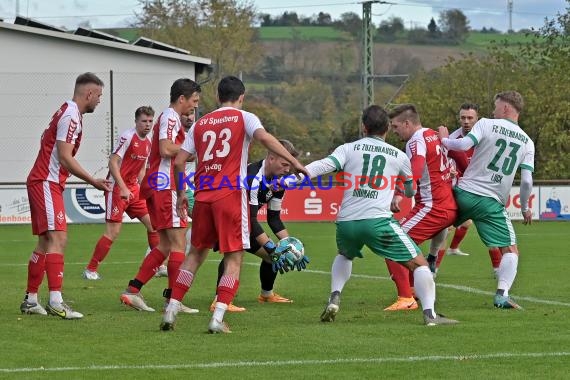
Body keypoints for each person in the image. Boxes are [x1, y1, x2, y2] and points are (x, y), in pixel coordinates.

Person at [160, 75, 309, 333]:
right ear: (241, 98)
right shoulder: (244, 117)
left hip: (203, 194)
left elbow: (179, 161)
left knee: (194, 254)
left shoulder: (201, 123)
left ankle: (171, 310)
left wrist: (182, 192)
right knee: (234, 257)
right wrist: (294, 162)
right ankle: (218, 318)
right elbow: (265, 139)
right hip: (230, 194)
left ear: (217, 97)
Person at [298, 105, 457, 325]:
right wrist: (401, 192)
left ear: (364, 127)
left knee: (344, 255)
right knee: (420, 265)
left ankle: (335, 296)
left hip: (346, 222)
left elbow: (324, 165)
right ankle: (430, 315)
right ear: (387, 130)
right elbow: (411, 189)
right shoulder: (399, 156)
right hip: (377, 222)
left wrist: (295, 176)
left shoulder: (349, 148)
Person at [21, 72, 111, 319]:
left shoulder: (68, 111)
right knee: (59, 239)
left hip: (45, 181)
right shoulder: (72, 115)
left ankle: (31, 300)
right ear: (89, 93)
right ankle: (56, 301)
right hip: (46, 182)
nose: (99, 101)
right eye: (99, 96)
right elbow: (65, 157)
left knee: (46, 242)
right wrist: (93, 180)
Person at [438, 90, 534, 309]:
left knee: (440, 229)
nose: (493, 110)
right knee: (511, 251)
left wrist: (443, 138)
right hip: (490, 203)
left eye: (496, 105)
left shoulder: (486, 124)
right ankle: (501, 295)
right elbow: (527, 181)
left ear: (506, 108)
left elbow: (462, 145)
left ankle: (429, 270)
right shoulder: (528, 142)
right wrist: (526, 207)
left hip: (465, 192)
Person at [119, 78, 201, 314]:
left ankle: (133, 290)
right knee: (178, 243)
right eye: (193, 101)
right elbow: (166, 149)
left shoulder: (173, 119)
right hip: (164, 186)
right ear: (182, 98)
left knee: (165, 245)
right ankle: (173, 300)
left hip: (164, 185)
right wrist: (190, 151)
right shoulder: (170, 117)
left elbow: (173, 156)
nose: (194, 106)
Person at [210, 139, 302, 313]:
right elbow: (251, 220)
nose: (287, 170)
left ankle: (266, 294)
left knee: (271, 256)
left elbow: (273, 218)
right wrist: (270, 246)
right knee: (233, 255)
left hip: (242, 220)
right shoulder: (252, 176)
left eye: (289, 165)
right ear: (271, 158)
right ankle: (219, 300)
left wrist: (289, 244)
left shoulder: (279, 181)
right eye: (284, 164)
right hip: (226, 218)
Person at [382, 104, 457, 311]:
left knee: (390, 242)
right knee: (403, 243)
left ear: (407, 123)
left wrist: (401, 192)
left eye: (396, 126)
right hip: (446, 204)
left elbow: (416, 164)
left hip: (433, 207)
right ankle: (417, 287)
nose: (394, 131)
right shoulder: (433, 134)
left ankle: (407, 297)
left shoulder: (416, 140)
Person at [82, 106, 158, 280]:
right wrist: (123, 187)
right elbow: (113, 162)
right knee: (113, 231)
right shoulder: (128, 136)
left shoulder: (148, 142)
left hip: (134, 189)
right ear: (136, 122)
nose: (147, 125)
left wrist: (146, 189)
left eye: (150, 121)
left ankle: (157, 265)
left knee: (154, 225)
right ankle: (90, 270)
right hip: (117, 188)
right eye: (144, 121)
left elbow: (140, 170)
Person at [435, 103, 502, 275]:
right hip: (458, 192)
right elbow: (444, 163)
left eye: (470, 118)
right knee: (443, 231)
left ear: (477, 119)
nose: (466, 121)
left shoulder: (486, 137)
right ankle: (433, 269)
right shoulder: (452, 139)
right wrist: (449, 172)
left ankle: (497, 269)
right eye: (463, 117)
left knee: (489, 231)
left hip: (481, 191)